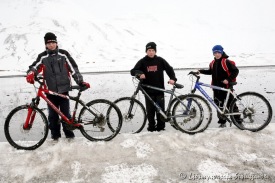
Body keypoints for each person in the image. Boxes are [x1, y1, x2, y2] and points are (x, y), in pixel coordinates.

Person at [26, 32, 90, 140]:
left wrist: (80, 81)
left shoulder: (63, 54)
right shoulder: (43, 57)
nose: (51, 45)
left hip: (64, 90)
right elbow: (35, 66)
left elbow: (73, 68)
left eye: (53, 42)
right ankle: (55, 138)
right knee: (52, 117)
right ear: (45, 45)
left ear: (56, 43)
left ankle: (70, 137)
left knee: (66, 115)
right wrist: (31, 73)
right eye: (49, 43)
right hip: (50, 92)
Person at [130, 42, 177, 132]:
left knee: (161, 112)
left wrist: (173, 79)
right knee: (150, 112)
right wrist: (140, 73)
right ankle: (151, 129)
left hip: (159, 91)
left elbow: (169, 69)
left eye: (152, 50)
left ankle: (161, 129)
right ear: (146, 51)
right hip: (148, 91)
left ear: (155, 51)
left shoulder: (160, 60)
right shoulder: (142, 61)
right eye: (149, 50)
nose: (151, 52)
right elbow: (133, 71)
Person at [197, 45, 239, 128]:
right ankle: (222, 122)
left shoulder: (226, 62)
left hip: (226, 87)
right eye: (215, 52)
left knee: (231, 105)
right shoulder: (212, 63)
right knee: (218, 106)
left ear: (222, 52)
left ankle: (238, 121)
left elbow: (235, 71)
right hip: (216, 88)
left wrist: (228, 79)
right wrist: (200, 71)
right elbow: (210, 71)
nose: (217, 54)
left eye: (218, 52)